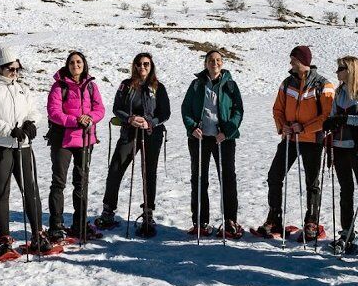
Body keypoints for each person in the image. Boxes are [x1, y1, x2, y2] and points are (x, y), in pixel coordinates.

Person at [0, 45, 56, 260]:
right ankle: (5, 238)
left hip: (22, 145)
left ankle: (38, 233)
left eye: (17, 68)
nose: (15, 72)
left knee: (31, 189)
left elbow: (34, 111)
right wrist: (9, 130)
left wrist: (31, 124)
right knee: (2, 192)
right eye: (11, 68)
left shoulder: (22, 89)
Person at [254, 46, 335, 242]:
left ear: (303, 61)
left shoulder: (324, 85)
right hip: (289, 138)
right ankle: (274, 217)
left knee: (312, 182)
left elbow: (327, 116)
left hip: (313, 140)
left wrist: (304, 128)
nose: (290, 63)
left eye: (293, 60)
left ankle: (312, 221)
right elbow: (277, 109)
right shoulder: (287, 83)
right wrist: (283, 126)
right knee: (274, 175)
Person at [94, 53, 170, 237]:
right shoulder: (126, 85)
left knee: (148, 172)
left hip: (152, 134)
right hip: (129, 132)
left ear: (151, 66)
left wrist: (150, 122)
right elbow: (116, 108)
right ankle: (108, 211)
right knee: (116, 168)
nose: (142, 67)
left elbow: (165, 112)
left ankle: (148, 213)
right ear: (134, 66)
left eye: (146, 64)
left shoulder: (158, 88)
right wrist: (130, 118)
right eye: (139, 64)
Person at [181, 50, 244, 239]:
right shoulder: (196, 84)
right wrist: (192, 127)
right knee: (199, 179)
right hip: (200, 138)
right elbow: (186, 108)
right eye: (210, 60)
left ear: (222, 63)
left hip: (223, 139)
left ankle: (230, 221)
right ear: (205, 63)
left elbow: (238, 111)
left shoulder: (231, 86)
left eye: (217, 60)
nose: (214, 63)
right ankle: (200, 221)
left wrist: (227, 132)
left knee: (227, 179)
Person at [46, 50, 107, 242]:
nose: (75, 65)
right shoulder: (59, 86)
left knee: (81, 183)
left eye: (79, 62)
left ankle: (79, 224)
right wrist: (75, 121)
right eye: (72, 62)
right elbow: (53, 112)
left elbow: (100, 109)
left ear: (84, 64)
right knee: (59, 183)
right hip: (63, 140)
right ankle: (56, 225)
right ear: (67, 65)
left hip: (85, 139)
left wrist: (89, 118)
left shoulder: (91, 86)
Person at [322, 55, 358, 253]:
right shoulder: (339, 92)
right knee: (345, 190)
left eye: (340, 69)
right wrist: (330, 122)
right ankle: (347, 230)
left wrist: (346, 119)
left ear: (350, 70)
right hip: (339, 146)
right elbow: (334, 116)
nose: (337, 72)